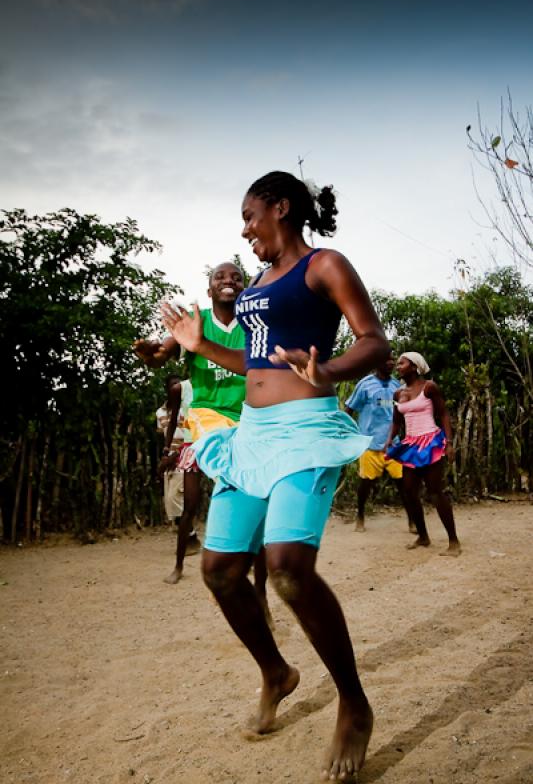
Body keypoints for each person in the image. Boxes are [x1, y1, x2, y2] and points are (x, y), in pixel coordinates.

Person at [161, 171, 390, 782]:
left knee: (287, 564)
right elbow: (253, 362)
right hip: (252, 436)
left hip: (307, 430)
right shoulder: (257, 285)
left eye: (250, 215)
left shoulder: (324, 265)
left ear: (280, 209)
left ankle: (353, 702)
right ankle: (276, 672)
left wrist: (330, 370)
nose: (244, 229)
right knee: (220, 570)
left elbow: (375, 343)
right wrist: (197, 343)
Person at [134, 264, 270, 609]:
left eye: (236, 277)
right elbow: (163, 355)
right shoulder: (196, 322)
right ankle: (181, 563)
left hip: (248, 423)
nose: (229, 281)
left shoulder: (257, 326)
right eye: (220, 278)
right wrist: (152, 355)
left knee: (257, 506)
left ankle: (262, 589)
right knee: (191, 502)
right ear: (209, 290)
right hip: (205, 425)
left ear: (245, 288)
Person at [385, 352, 462, 557]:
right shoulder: (398, 393)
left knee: (435, 492)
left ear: (414, 366)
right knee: (409, 492)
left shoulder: (429, 387)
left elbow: (443, 413)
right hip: (410, 445)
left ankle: (453, 541)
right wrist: (389, 440)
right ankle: (423, 536)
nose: (397, 366)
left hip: (430, 442)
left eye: (402, 363)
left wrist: (449, 443)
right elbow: (396, 421)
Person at [345, 355, 414, 533]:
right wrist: (345, 431)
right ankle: (360, 516)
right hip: (370, 443)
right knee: (366, 484)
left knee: (404, 484)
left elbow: (401, 411)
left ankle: (412, 521)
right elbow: (350, 408)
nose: (391, 363)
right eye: (387, 360)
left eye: (393, 360)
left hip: (393, 444)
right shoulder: (365, 385)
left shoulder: (397, 386)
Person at [156, 374, 201, 584]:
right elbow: (173, 421)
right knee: (188, 507)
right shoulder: (181, 390)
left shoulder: (218, 380)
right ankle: (178, 566)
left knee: (238, 498)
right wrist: (166, 451)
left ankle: (246, 559)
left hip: (219, 442)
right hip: (191, 447)